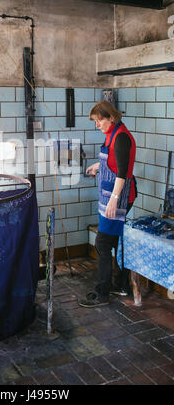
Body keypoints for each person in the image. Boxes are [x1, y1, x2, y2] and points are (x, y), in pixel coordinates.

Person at [78, 100, 137, 308]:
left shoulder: (121, 137)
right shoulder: (113, 134)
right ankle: (121, 285)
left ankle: (102, 293)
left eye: (99, 120)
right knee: (113, 243)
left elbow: (122, 173)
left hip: (119, 198)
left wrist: (113, 200)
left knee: (102, 244)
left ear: (110, 118)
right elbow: (112, 161)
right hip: (113, 196)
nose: (97, 125)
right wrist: (97, 166)